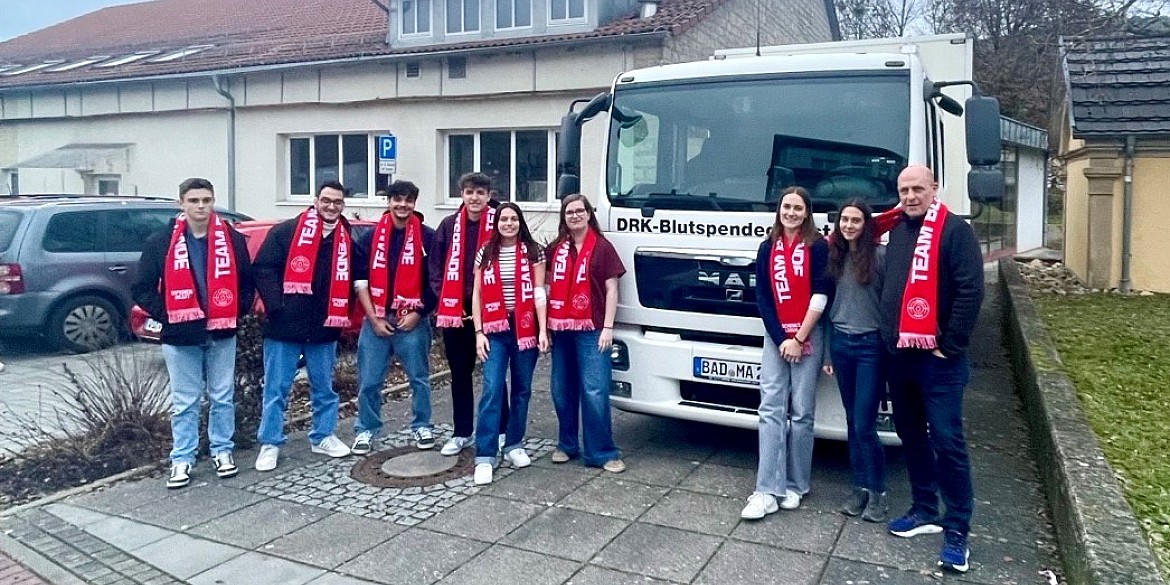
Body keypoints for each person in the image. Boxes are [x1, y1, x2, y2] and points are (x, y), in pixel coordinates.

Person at [881, 165, 984, 573]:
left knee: (947, 441)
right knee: (910, 435)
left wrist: (949, 344)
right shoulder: (897, 231)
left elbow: (970, 289)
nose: (910, 196)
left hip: (939, 361)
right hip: (900, 356)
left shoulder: (955, 231)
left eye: (917, 189)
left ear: (934, 188)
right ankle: (924, 507)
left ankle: (957, 529)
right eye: (904, 190)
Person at [133, 177, 254, 489]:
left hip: (222, 331)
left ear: (213, 202)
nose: (201, 206)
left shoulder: (232, 238)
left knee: (222, 396)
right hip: (180, 335)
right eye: (194, 201)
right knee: (185, 400)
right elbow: (142, 289)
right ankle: (182, 458)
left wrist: (234, 312)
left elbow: (247, 283)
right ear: (181, 204)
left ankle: (222, 451)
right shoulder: (161, 241)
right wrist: (171, 316)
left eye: (206, 200)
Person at [253, 181, 355, 471]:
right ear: (315, 200)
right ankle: (270, 442)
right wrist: (276, 306)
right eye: (326, 200)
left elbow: (351, 279)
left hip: (324, 327)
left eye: (337, 201)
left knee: (324, 387)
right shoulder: (286, 231)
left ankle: (323, 435)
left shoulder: (346, 237)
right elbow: (263, 268)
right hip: (284, 326)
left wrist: (343, 312)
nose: (331, 206)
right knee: (277, 388)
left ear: (343, 204)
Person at [741, 185, 830, 520]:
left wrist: (800, 336)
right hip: (776, 337)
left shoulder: (818, 247)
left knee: (803, 411)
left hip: (810, 333)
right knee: (770, 409)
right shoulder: (768, 247)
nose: (791, 213)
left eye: (798, 208)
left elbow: (822, 294)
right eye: (786, 207)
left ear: (807, 213)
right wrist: (782, 339)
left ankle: (796, 484)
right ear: (779, 210)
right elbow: (763, 298)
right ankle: (767, 489)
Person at [351, 181, 438, 454]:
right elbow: (359, 280)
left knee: (419, 378)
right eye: (397, 199)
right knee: (369, 381)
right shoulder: (369, 238)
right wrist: (374, 319)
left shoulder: (428, 237)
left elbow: (437, 282)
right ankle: (366, 429)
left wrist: (419, 312)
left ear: (415, 203)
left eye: (409, 200)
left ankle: (422, 425)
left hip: (412, 321)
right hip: (376, 319)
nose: (403, 205)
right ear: (388, 202)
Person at [545, 194, 626, 473]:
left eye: (580, 211)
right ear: (563, 218)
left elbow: (612, 289)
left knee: (594, 390)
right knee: (561, 390)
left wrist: (608, 327)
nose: (575, 216)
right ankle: (567, 445)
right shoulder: (555, 248)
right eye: (569, 212)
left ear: (589, 214)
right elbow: (544, 288)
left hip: (593, 330)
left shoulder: (602, 248)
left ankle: (601, 452)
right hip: (560, 329)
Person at [470, 203, 548, 485]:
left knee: (522, 389)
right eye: (504, 219)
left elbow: (539, 292)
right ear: (497, 223)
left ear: (520, 222)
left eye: (514, 219)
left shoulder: (534, 251)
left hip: (525, 326)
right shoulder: (485, 252)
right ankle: (485, 455)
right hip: (494, 329)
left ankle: (514, 443)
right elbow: (477, 295)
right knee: (492, 388)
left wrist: (542, 329)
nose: (509, 224)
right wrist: (479, 332)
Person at [431, 172, 507, 456]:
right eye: (469, 192)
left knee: (494, 374)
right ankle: (462, 431)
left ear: (489, 196)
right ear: (461, 194)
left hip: (492, 311)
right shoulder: (448, 225)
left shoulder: (501, 223)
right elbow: (436, 267)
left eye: (480, 192)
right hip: (456, 313)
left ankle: (501, 428)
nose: (474, 197)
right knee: (460, 374)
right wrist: (444, 298)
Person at [822, 198, 888, 521]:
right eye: (845, 220)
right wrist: (826, 353)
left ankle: (878, 492)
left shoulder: (880, 257)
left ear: (866, 225)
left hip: (870, 347)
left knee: (864, 423)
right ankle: (860, 486)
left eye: (856, 220)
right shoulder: (833, 257)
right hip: (841, 345)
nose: (849, 225)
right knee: (851, 421)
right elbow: (822, 307)